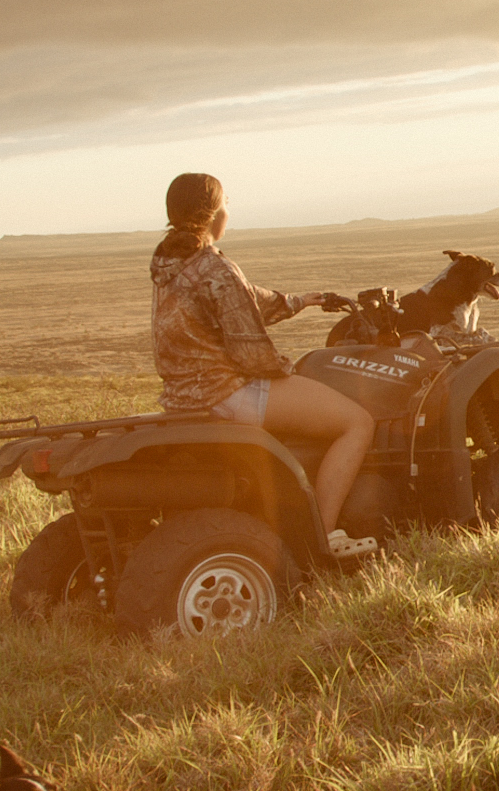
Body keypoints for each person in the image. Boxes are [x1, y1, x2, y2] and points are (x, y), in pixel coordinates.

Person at [149, 173, 379, 558]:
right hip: (227, 392)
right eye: (226, 203)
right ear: (212, 215)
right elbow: (252, 352)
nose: (228, 211)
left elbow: (243, 300)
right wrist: (286, 369)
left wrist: (303, 300)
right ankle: (323, 535)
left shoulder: (168, 264)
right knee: (358, 423)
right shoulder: (215, 267)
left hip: (182, 396)